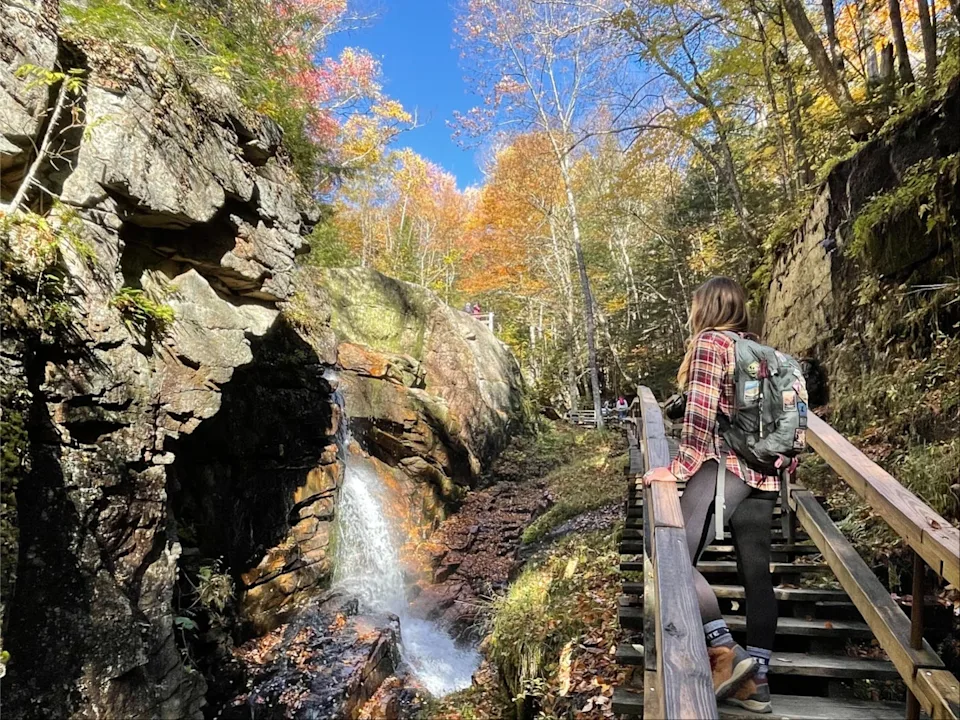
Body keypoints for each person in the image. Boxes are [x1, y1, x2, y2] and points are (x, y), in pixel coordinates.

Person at [643, 276, 777, 714]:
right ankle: (757, 681)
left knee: (670, 551)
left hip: (723, 466)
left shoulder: (709, 345)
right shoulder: (763, 352)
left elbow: (699, 417)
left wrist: (675, 469)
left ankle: (725, 652)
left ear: (707, 308)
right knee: (756, 574)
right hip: (764, 473)